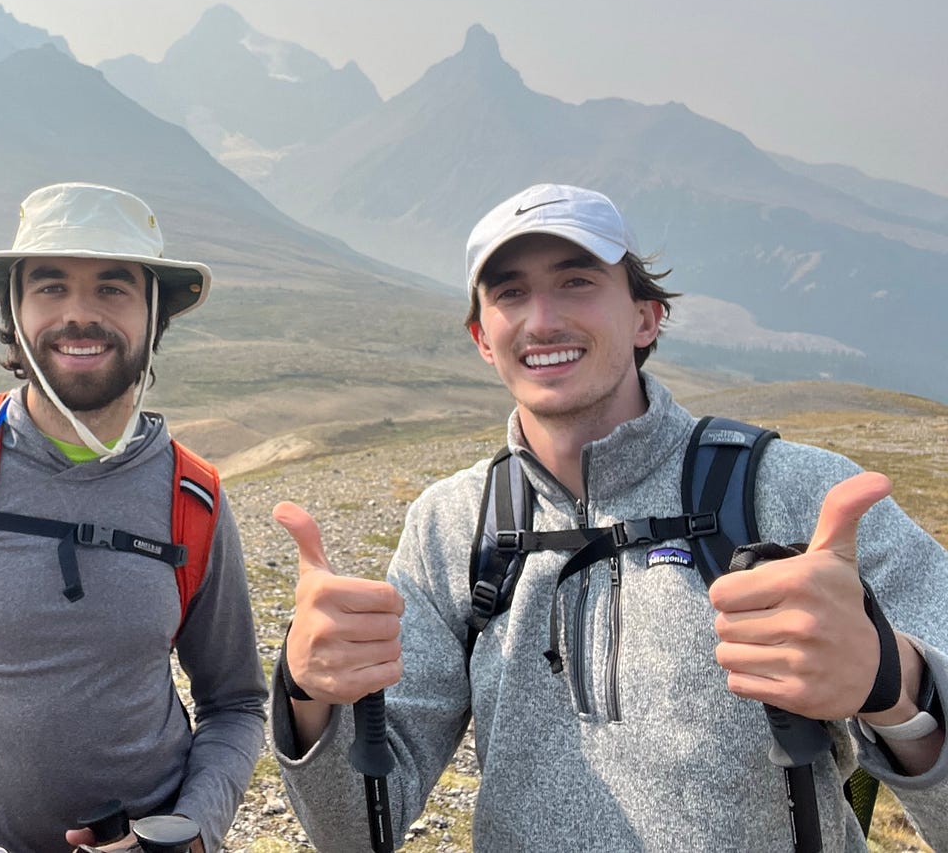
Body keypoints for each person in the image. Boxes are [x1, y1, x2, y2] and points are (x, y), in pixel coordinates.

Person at [270, 183, 948, 851]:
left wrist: (897, 685)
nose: (541, 320)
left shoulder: (799, 490)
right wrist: (309, 700)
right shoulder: (450, 526)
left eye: (577, 281)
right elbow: (360, 830)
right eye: (509, 292)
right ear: (483, 337)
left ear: (646, 318)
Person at [0, 182, 267, 853]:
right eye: (51, 288)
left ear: (155, 316)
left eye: (114, 289)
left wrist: (190, 835)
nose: (80, 316)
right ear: (15, 309)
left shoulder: (194, 499)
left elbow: (234, 704)